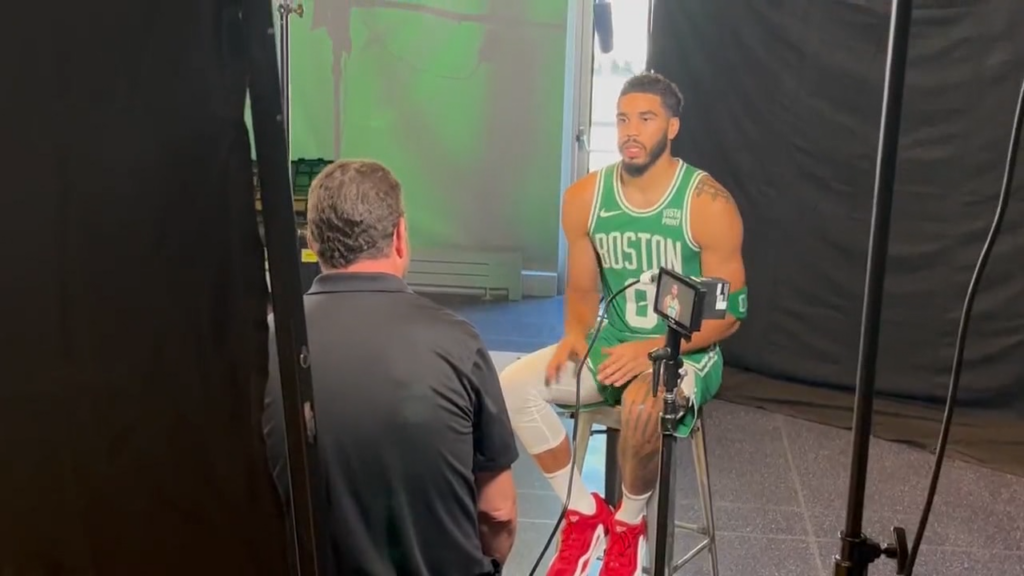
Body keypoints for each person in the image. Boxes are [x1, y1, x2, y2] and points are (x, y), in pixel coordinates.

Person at [500, 72, 748, 576]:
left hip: (686, 351)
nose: (630, 130)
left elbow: (729, 314)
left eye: (646, 118)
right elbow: (584, 289)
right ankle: (584, 513)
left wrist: (655, 349)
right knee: (513, 387)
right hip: (612, 342)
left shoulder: (707, 204)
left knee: (641, 406)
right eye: (622, 118)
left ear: (673, 126)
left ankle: (629, 528)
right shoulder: (585, 198)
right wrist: (574, 333)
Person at [262, 159, 519, 576]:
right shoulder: (458, 344)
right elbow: (498, 512)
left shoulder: (265, 347)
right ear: (399, 236)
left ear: (313, 241)